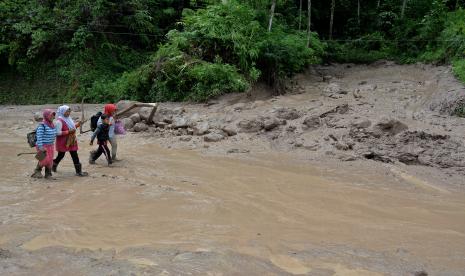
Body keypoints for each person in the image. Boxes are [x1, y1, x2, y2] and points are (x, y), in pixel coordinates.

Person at [52, 105, 88, 176]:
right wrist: (68, 132)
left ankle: (78, 171)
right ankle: (54, 165)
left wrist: (79, 124)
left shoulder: (68, 119)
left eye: (69, 111)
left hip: (71, 140)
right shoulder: (59, 121)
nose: (68, 113)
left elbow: (73, 128)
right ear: (62, 112)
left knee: (74, 154)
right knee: (61, 155)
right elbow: (57, 133)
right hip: (62, 141)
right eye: (67, 111)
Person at [31, 109, 57, 179]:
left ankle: (48, 174)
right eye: (51, 115)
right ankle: (37, 171)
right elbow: (39, 137)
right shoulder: (42, 126)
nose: (53, 117)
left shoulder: (52, 125)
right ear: (46, 116)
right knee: (44, 160)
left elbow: (55, 133)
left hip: (51, 145)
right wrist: (40, 147)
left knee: (50, 160)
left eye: (53, 115)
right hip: (42, 146)